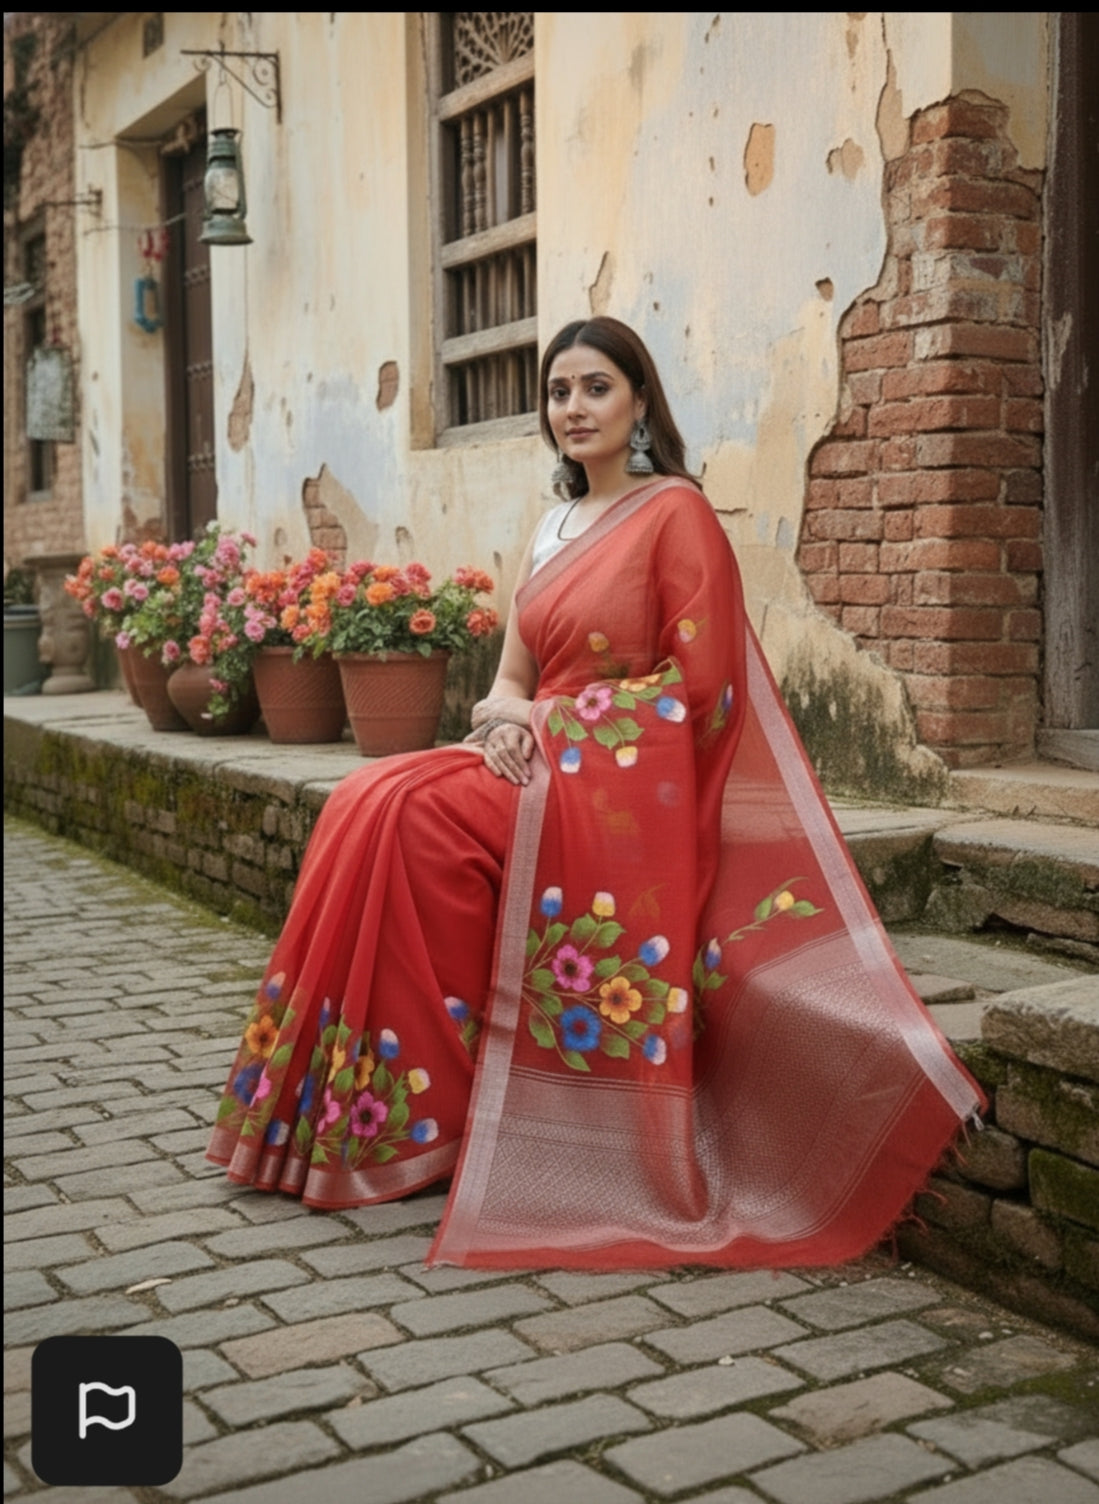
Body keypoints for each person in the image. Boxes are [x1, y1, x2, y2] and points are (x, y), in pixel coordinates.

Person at [208, 316, 982, 1269]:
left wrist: (552, 731)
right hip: (533, 761)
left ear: (640, 401)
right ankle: (388, 1115)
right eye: (558, 392)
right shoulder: (550, 528)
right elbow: (509, 677)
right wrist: (502, 723)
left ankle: (445, 1117)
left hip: (618, 793)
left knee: (412, 814)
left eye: (595, 388)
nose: (572, 409)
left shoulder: (676, 514)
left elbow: (702, 694)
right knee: (366, 798)